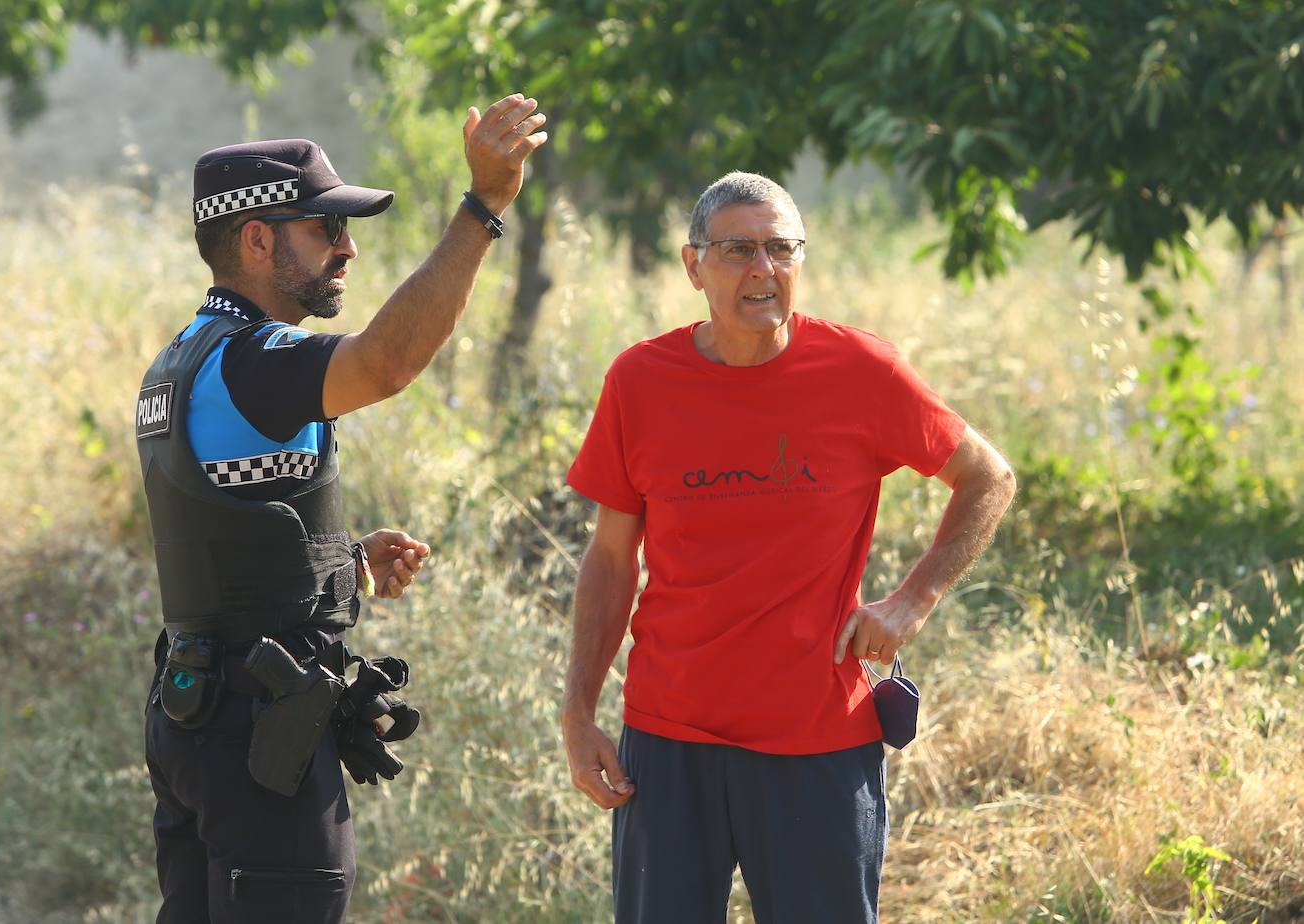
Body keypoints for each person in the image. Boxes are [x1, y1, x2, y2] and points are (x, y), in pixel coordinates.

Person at [561, 171, 1017, 924]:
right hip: (669, 743)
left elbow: (988, 478)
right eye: (738, 249)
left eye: (781, 249)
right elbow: (611, 559)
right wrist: (578, 713)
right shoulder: (641, 381)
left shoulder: (861, 370)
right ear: (692, 265)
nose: (762, 271)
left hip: (818, 742)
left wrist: (914, 600)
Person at [136, 94, 548, 924]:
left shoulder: (184, 357)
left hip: (197, 716)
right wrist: (483, 209)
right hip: (258, 737)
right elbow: (390, 362)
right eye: (326, 229)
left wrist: (343, 557)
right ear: (257, 239)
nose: (348, 248)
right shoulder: (257, 357)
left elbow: (222, 534)